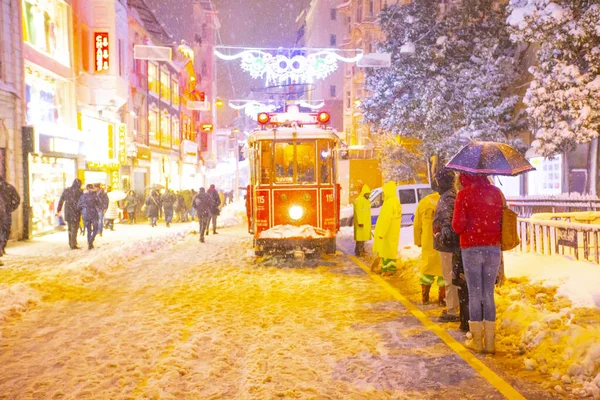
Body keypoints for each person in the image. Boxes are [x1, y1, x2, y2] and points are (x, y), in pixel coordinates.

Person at [452, 172, 503, 354]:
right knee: (488, 294)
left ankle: (477, 341)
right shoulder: (496, 193)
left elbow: (457, 226)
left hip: (471, 248)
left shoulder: (463, 195)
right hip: (493, 248)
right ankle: (490, 342)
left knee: (475, 294)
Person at [432, 169, 461, 323]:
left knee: (449, 278)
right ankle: (453, 307)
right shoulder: (450, 195)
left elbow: (448, 223)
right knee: (451, 277)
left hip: (449, 246)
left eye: (437, 181)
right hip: (450, 245)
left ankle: (452, 310)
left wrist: (440, 236)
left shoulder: (447, 198)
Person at [414, 188, 444, 305]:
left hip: (428, 242)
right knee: (443, 271)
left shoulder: (424, 202)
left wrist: (418, 241)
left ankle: (425, 297)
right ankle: (442, 299)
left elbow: (417, 225)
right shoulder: (447, 201)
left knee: (427, 269)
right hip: (442, 242)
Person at [373, 181, 401, 276]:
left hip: (387, 232)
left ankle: (386, 270)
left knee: (386, 251)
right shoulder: (396, 201)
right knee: (391, 251)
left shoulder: (389, 203)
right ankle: (390, 269)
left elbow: (385, 219)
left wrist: (381, 233)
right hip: (393, 231)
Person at [56, 179, 83, 249]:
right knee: (75, 228)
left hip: (68, 211)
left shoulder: (67, 190)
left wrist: (59, 209)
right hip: (76, 211)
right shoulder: (79, 192)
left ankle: (71, 242)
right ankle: (73, 244)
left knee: (70, 228)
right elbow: (82, 202)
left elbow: (61, 200)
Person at [0, 177, 20, 260]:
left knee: (4, 230)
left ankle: (1, 247)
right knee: (5, 230)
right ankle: (2, 247)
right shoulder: (9, 187)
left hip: (5, 212)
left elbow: (17, 199)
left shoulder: (8, 188)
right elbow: (17, 199)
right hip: (5, 212)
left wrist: (10, 208)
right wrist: (11, 208)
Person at [78, 184, 103, 250]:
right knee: (96, 228)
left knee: (88, 229)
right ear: (92, 188)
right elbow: (100, 204)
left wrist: (82, 210)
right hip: (93, 213)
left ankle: (90, 243)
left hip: (85, 214)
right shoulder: (95, 195)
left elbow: (78, 206)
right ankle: (91, 241)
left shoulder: (82, 196)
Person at [353, 184, 372, 257]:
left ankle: (360, 250)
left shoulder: (366, 201)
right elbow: (358, 212)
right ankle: (359, 251)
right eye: (366, 193)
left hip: (365, 223)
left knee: (362, 238)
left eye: (368, 194)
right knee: (360, 238)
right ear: (363, 193)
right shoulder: (360, 200)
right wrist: (360, 222)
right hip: (361, 223)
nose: (367, 195)